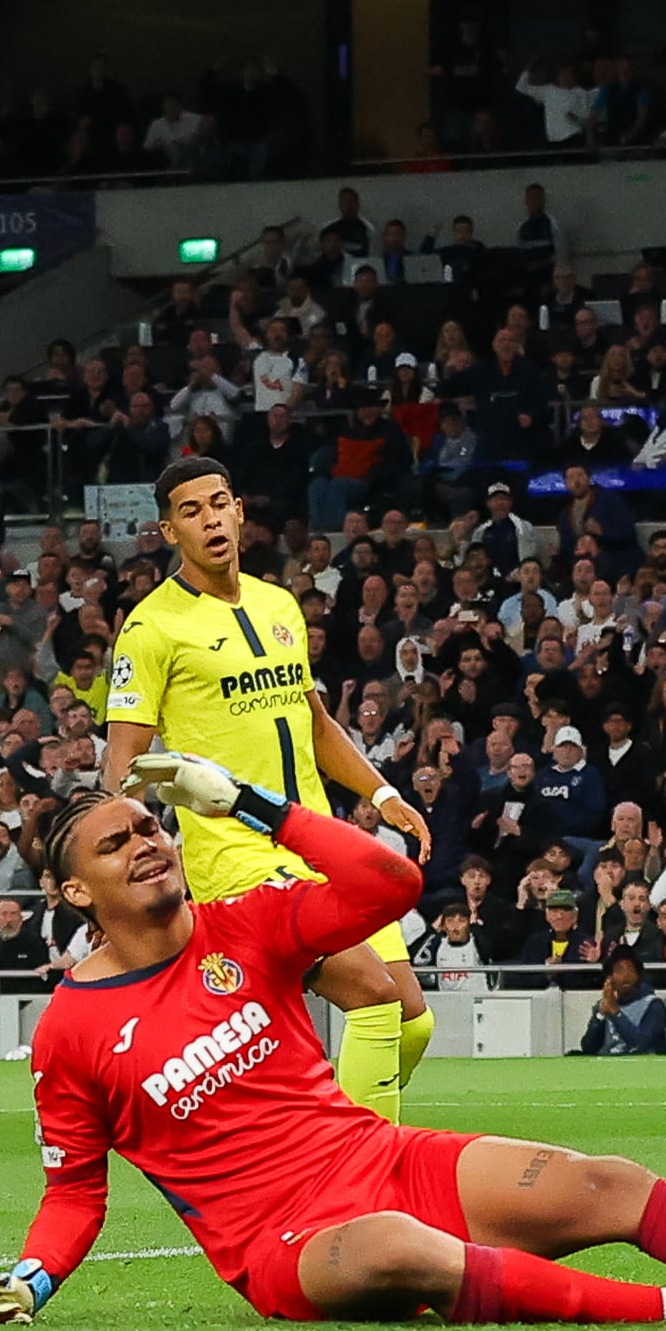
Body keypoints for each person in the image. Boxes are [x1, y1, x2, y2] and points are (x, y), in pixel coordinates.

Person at [0, 756, 666, 1331]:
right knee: (405, 1249)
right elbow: (74, 1191)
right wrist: (33, 1278)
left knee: (601, 1179)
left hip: (379, 1158)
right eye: (115, 841)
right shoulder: (69, 1029)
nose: (146, 841)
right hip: (283, 1244)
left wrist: (248, 803)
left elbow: (390, 887)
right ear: (72, 893)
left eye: (151, 824)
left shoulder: (243, 922)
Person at [103, 455, 440, 1120]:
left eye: (219, 502)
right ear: (169, 530)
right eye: (191, 511)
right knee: (372, 996)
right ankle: (363, 1192)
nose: (210, 519)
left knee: (411, 1022)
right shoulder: (150, 628)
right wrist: (124, 868)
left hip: (321, 841)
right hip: (238, 855)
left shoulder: (278, 602)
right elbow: (122, 765)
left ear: (239, 512)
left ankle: (324, 1156)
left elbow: (314, 722)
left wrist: (382, 794)